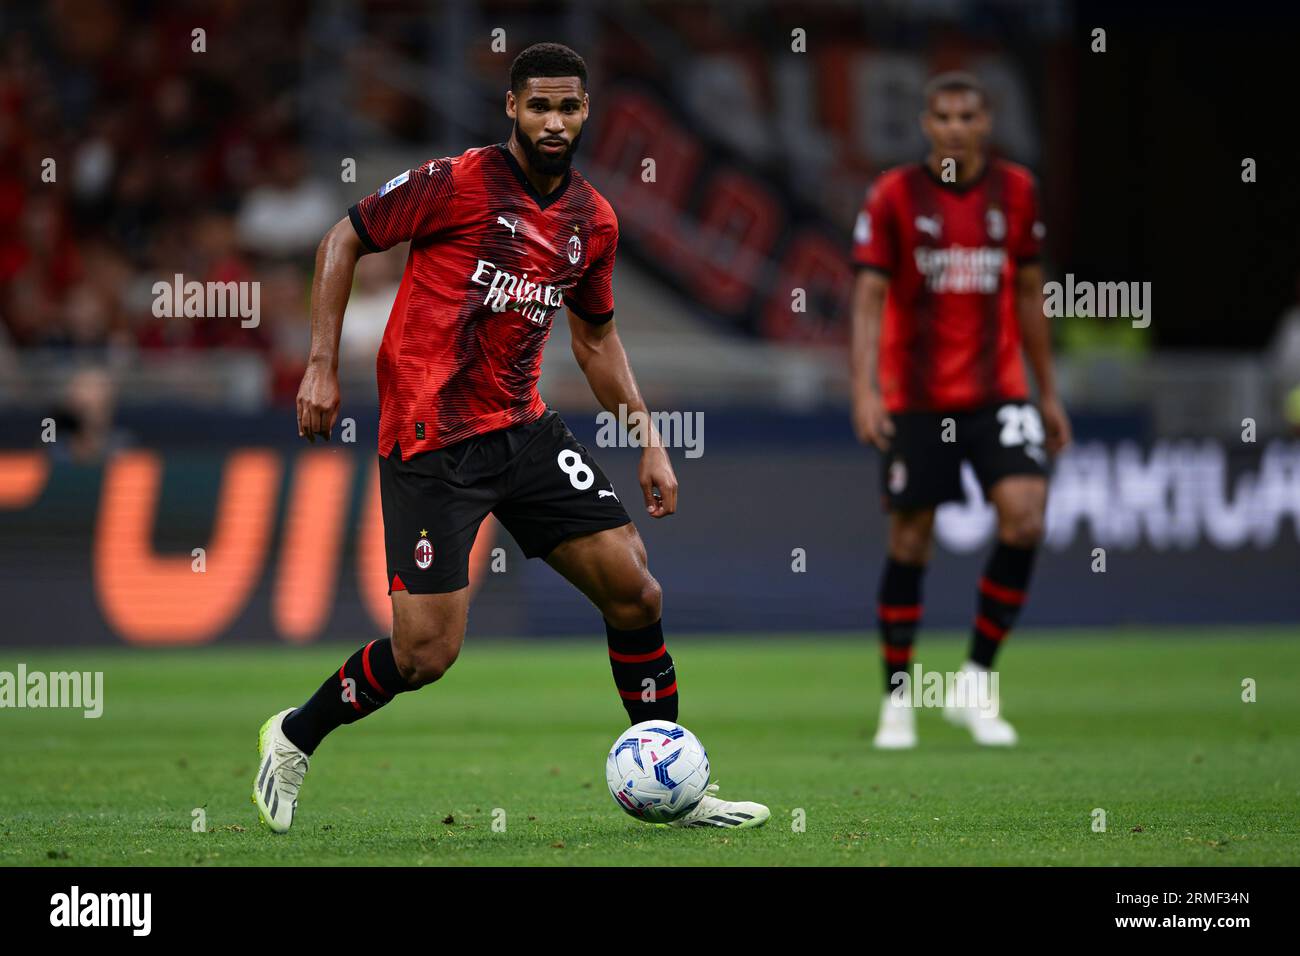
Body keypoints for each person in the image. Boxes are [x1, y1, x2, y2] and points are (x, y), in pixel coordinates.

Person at [253, 42, 768, 831]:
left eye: (568, 107)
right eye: (539, 106)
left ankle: (674, 782)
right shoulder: (456, 182)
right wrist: (320, 364)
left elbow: (595, 341)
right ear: (512, 108)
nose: (554, 122)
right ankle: (294, 736)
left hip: (522, 430)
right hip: (430, 440)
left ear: (586, 110)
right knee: (426, 653)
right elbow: (342, 239)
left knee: (634, 589)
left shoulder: (592, 221)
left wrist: (649, 439)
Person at [849, 72, 1071, 749]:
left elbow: (1030, 294)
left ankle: (975, 682)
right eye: (941, 115)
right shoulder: (893, 196)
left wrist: (1048, 391)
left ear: (986, 121)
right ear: (926, 124)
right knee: (911, 539)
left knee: (1026, 518)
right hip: (916, 399)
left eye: (966, 115)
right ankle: (897, 699)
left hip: (999, 391)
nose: (953, 127)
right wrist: (864, 389)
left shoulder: (1017, 191)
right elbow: (867, 301)